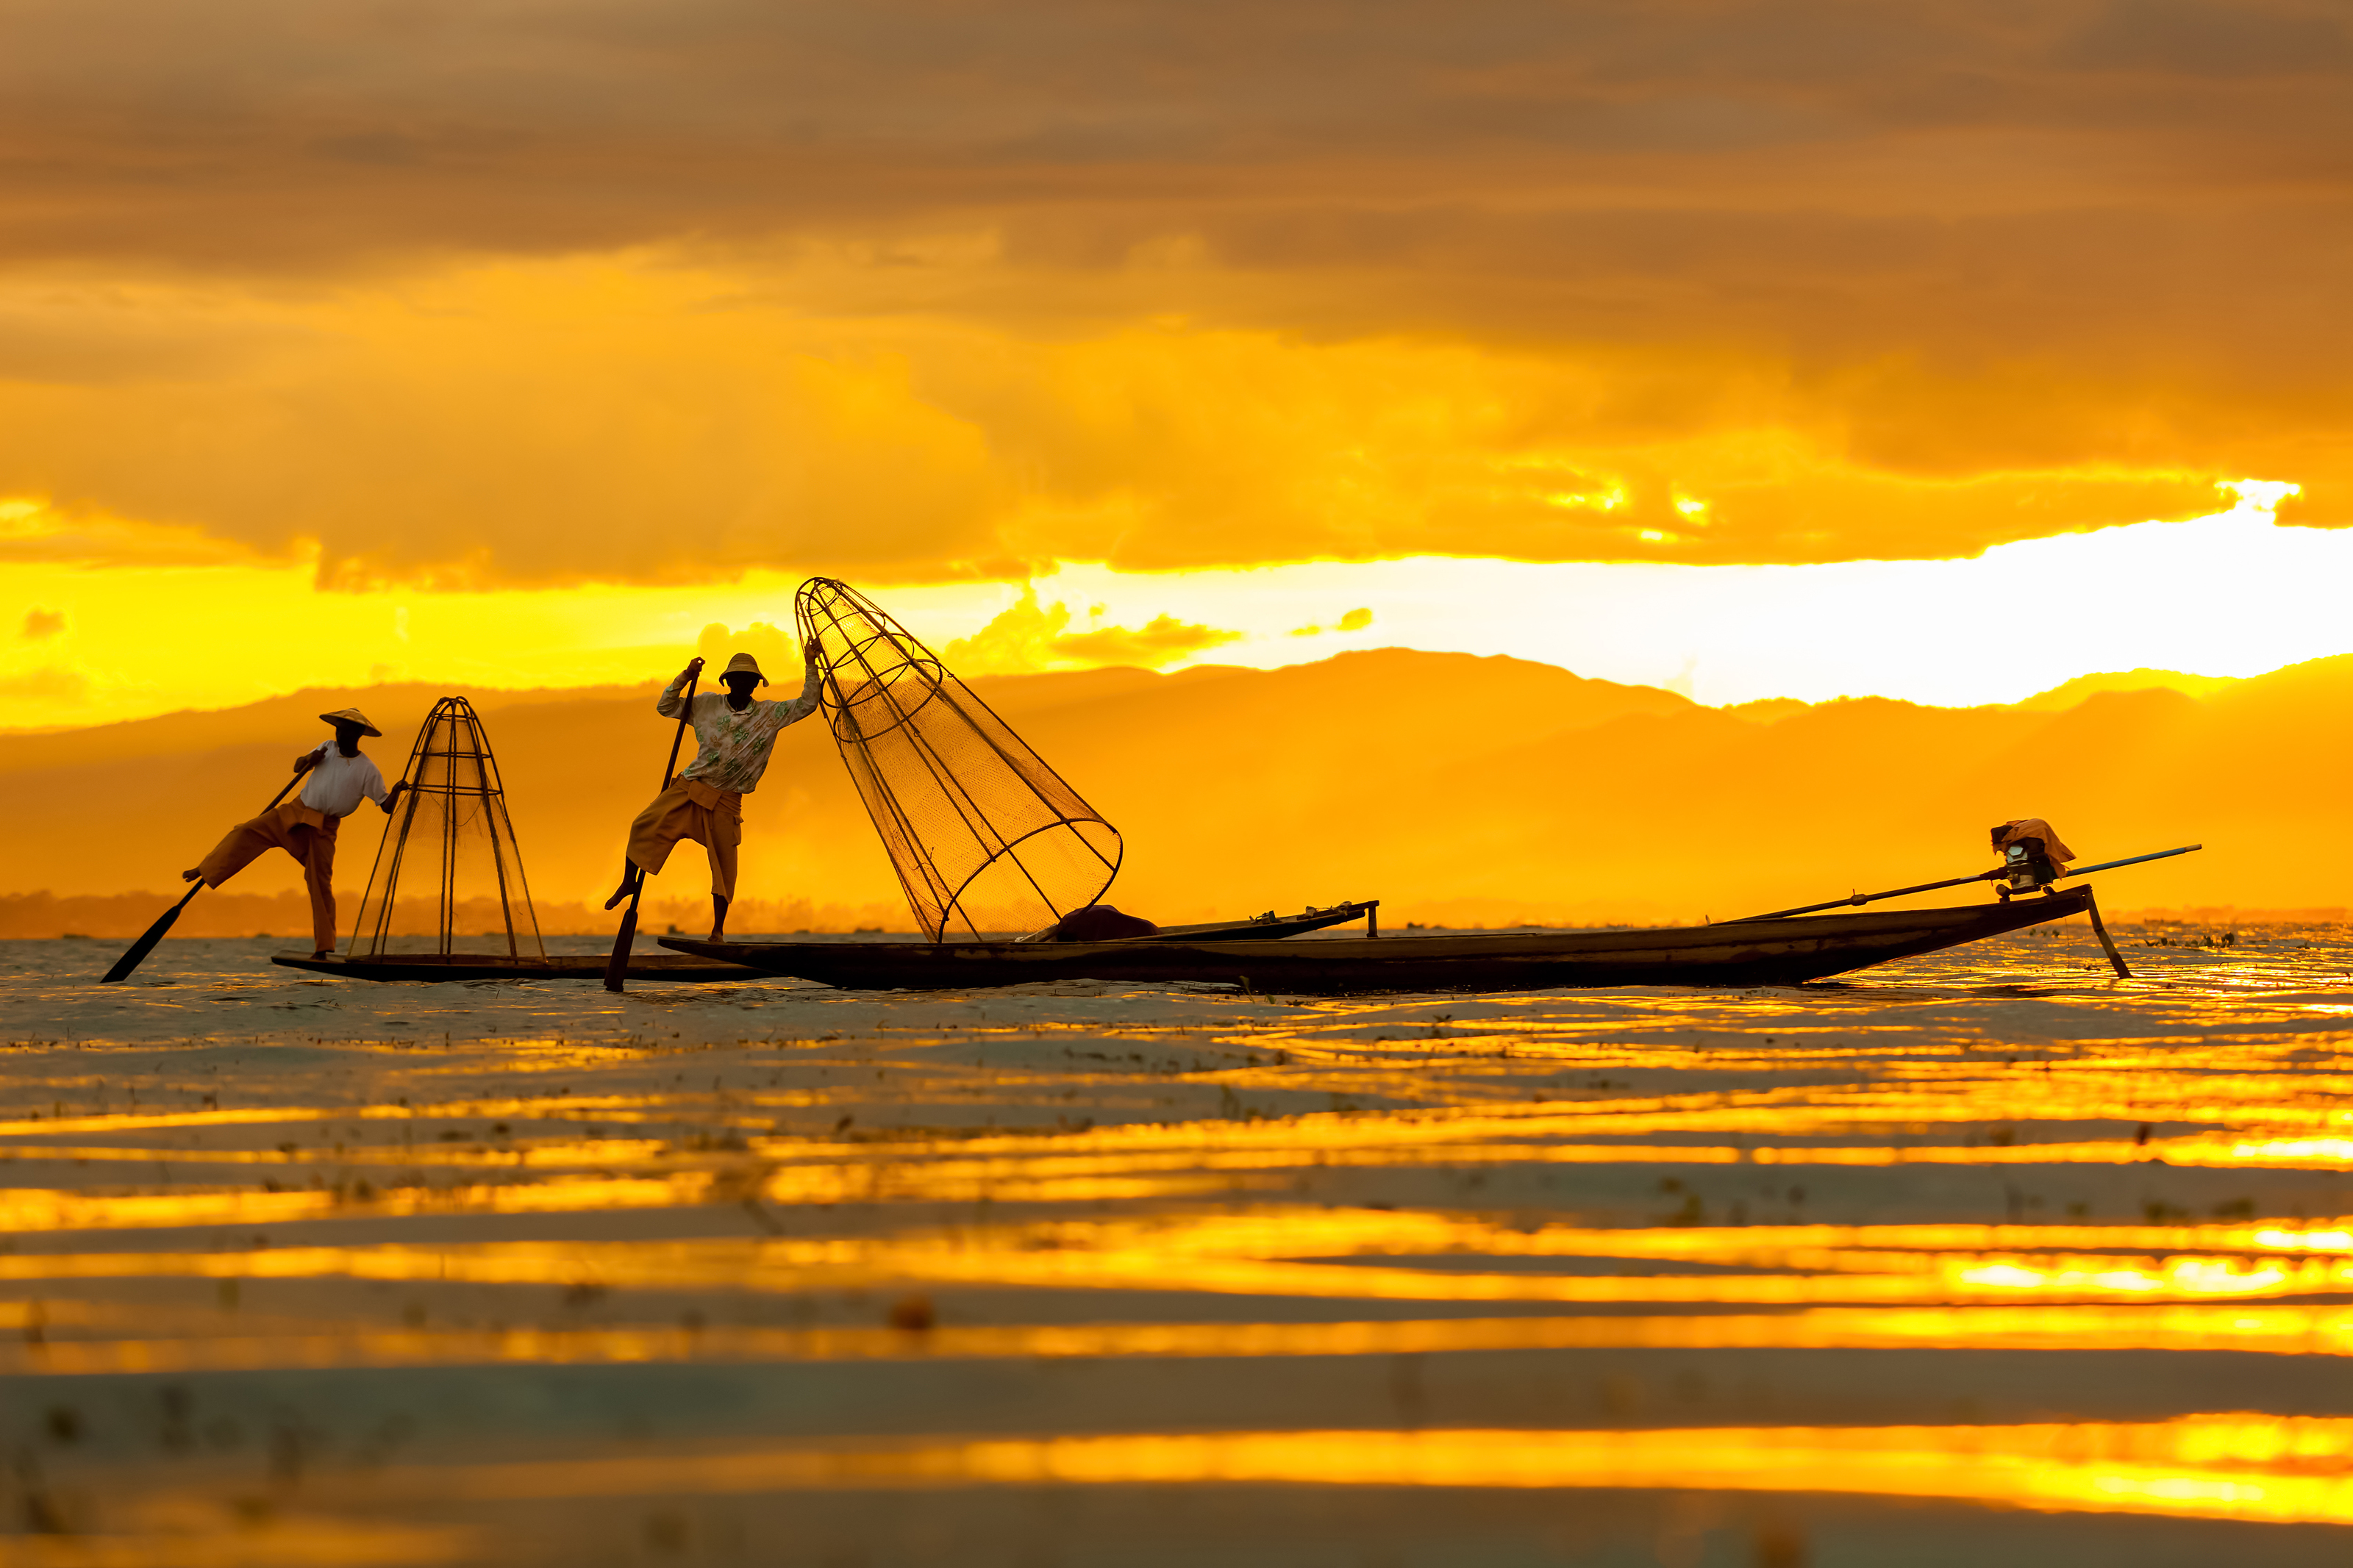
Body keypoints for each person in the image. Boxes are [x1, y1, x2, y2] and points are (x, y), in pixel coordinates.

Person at [604, 640, 825, 939]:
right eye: (736, 679)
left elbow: (807, 704)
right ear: (727, 682)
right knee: (643, 825)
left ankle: (718, 931)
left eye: (748, 680)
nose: (742, 684)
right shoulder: (706, 703)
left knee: (725, 869)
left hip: (727, 799)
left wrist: (810, 664)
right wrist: (685, 676)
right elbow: (665, 706)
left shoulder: (769, 714)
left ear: (755, 685)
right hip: (691, 787)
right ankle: (629, 882)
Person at [183, 708, 407, 958]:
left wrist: (397, 790)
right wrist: (309, 760)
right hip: (295, 811)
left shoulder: (368, 770)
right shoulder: (327, 747)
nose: (340, 734)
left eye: (346, 731)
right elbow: (297, 767)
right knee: (246, 831)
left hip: (323, 828)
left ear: (358, 734)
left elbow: (386, 806)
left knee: (320, 883)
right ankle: (204, 868)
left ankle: (323, 949)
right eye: (339, 729)